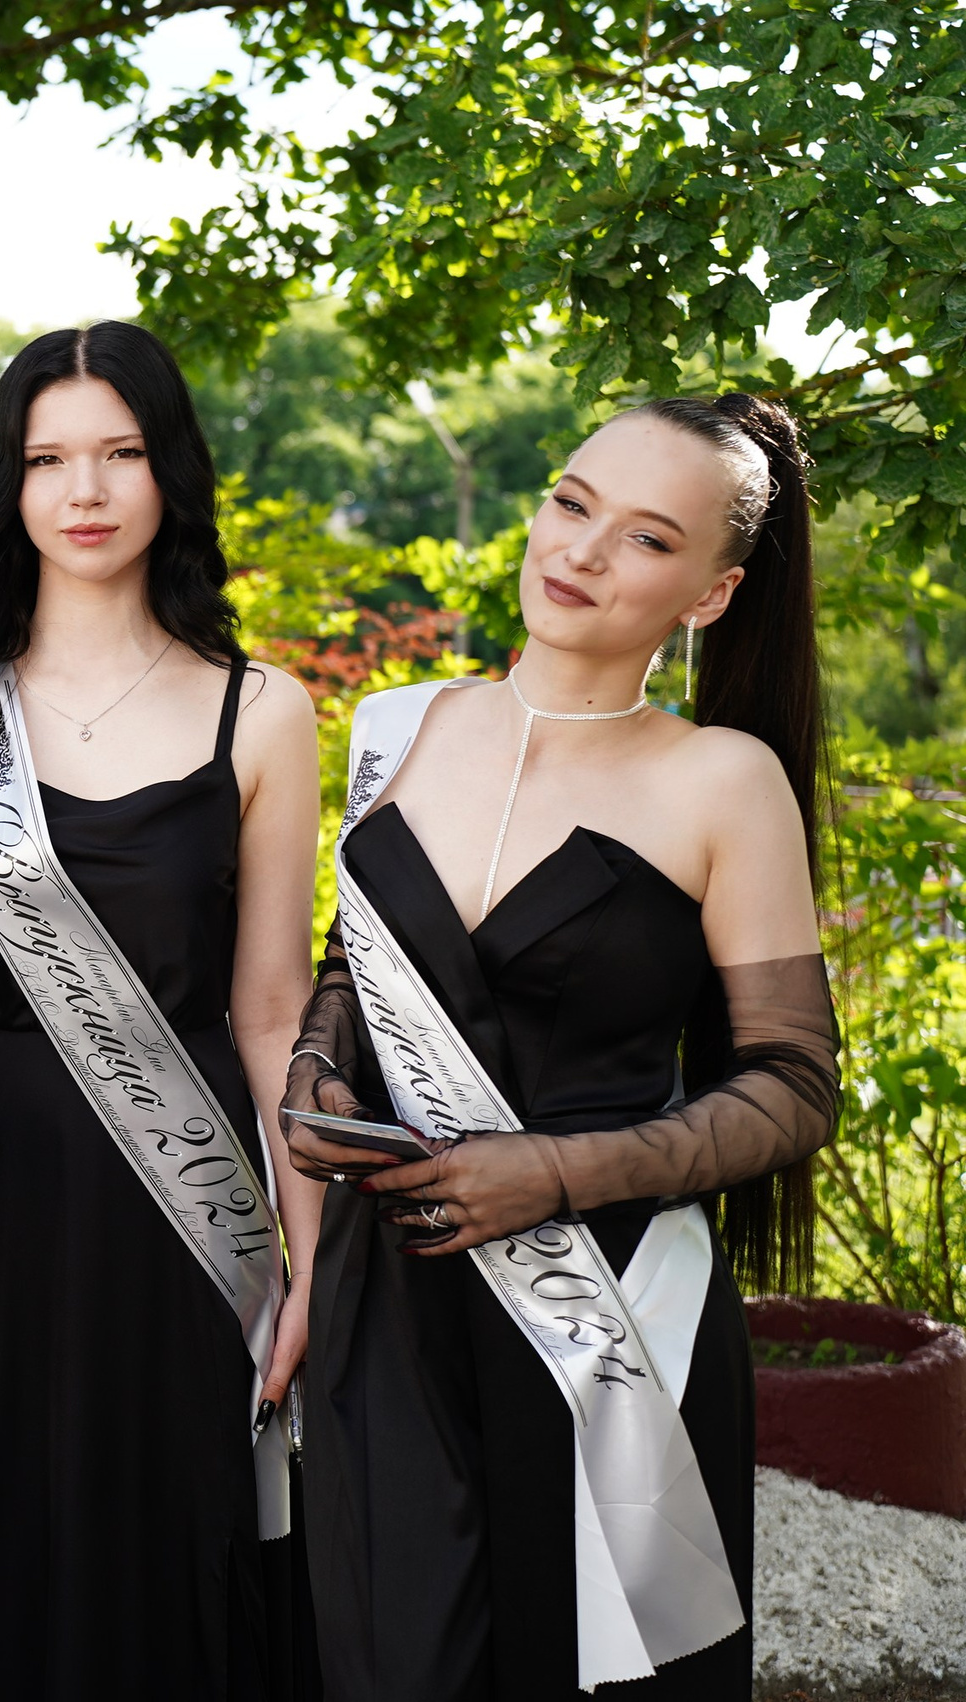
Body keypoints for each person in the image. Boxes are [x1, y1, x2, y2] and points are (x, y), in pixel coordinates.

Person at [283, 394, 842, 1701]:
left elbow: (795, 1081)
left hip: (606, 1304)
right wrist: (316, 1076)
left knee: (592, 1662)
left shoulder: (721, 779)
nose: (581, 552)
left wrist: (556, 1172)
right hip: (395, 1296)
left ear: (712, 593)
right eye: (572, 503)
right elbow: (349, 971)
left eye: (646, 539)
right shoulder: (398, 725)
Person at [0, 321, 325, 1699]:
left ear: (168, 470)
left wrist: (312, 1265)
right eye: (47, 457)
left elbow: (269, 1009)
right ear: (8, 484)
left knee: (172, 1541)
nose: (85, 491)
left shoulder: (263, 712)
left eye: (120, 453)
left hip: (181, 1213)